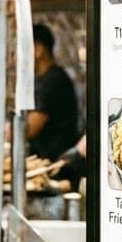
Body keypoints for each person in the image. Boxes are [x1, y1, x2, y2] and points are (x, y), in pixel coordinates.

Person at [26, 22, 79, 161]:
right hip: (43, 160)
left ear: (38, 49)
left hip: (56, 164)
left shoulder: (55, 80)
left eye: (24, 48)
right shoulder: (41, 79)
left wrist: (8, 131)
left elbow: (32, 127)